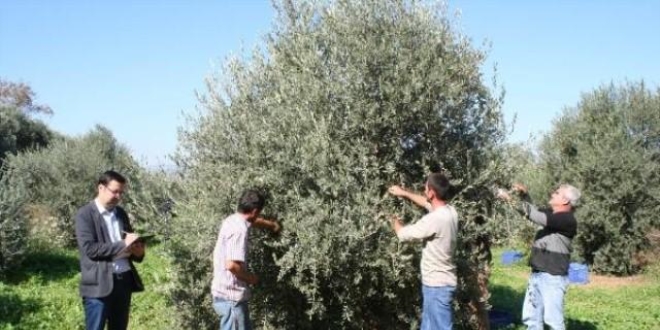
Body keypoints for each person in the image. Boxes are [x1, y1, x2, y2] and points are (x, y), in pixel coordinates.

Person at [496, 183, 580, 330]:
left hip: (552, 277)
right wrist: (524, 195)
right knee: (532, 319)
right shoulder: (552, 214)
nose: (552, 194)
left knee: (554, 322)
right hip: (537, 275)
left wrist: (509, 199)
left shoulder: (567, 219)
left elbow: (534, 215)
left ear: (565, 201)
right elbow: (533, 212)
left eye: (557, 193)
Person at [75, 170, 145, 330]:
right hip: (98, 285)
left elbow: (128, 243)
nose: (118, 196)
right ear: (101, 188)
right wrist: (123, 244)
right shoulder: (85, 214)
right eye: (115, 191)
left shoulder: (120, 213)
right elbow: (90, 249)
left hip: (123, 282)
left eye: (121, 192)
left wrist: (138, 252)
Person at [388, 173, 458, 330]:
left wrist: (393, 220)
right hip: (439, 284)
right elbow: (427, 204)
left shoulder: (434, 220)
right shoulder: (450, 212)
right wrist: (404, 193)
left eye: (426, 187)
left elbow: (403, 234)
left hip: (437, 287)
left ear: (432, 192)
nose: (424, 190)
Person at [211, 189, 281, 330]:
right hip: (231, 299)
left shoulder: (232, 220)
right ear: (255, 211)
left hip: (223, 294)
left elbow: (253, 221)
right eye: (259, 212)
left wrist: (271, 225)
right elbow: (231, 265)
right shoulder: (239, 230)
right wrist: (251, 278)